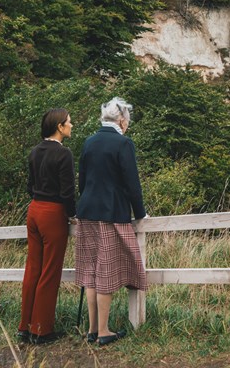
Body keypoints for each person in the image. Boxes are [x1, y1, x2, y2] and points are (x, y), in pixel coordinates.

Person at [75, 97, 148, 347]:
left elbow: (82, 181)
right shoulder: (123, 143)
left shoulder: (89, 141)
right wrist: (140, 213)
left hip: (86, 212)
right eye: (127, 120)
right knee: (105, 272)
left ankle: (92, 329)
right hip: (109, 213)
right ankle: (104, 331)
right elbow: (132, 183)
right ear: (121, 120)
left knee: (92, 272)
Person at [18, 108, 76, 345]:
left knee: (33, 268)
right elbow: (68, 191)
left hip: (34, 210)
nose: (72, 125)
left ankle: (25, 326)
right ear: (59, 127)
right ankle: (41, 330)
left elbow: (30, 186)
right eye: (69, 122)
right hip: (52, 213)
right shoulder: (64, 154)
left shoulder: (34, 151)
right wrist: (72, 214)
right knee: (50, 271)